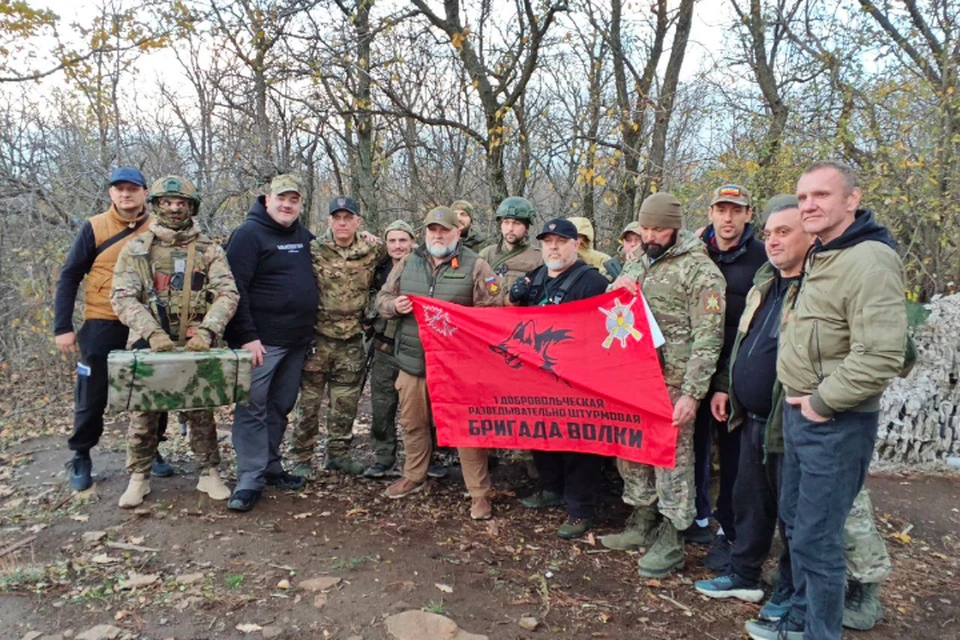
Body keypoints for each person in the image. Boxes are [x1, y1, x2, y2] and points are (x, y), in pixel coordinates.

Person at [694, 197, 892, 632]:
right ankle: (745, 575)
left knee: (798, 520)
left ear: (810, 237)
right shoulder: (767, 280)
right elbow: (746, 338)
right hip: (752, 416)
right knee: (751, 503)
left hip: (800, 423)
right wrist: (729, 386)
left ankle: (790, 595)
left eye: (785, 232)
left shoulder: (826, 281)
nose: (773, 241)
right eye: (770, 233)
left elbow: (887, 352)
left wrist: (826, 398)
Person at [746, 161, 907, 640]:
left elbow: (881, 355)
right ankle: (797, 623)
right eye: (803, 198)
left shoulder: (870, 259)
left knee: (818, 541)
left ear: (852, 200)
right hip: (802, 421)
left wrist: (821, 402)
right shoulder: (826, 255)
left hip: (834, 423)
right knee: (798, 529)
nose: (809, 205)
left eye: (821, 195)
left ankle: (819, 632)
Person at [600, 192, 725, 578]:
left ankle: (673, 536)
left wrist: (692, 393)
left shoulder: (699, 271)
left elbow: (709, 337)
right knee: (633, 451)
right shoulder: (638, 263)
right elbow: (610, 311)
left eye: (659, 229)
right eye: (646, 228)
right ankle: (641, 520)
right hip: (635, 378)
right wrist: (617, 287)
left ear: (676, 227)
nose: (651, 236)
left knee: (671, 459)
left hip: (674, 383)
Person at [110, 175, 238, 507]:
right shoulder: (138, 249)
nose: (175, 208)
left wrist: (208, 331)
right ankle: (139, 476)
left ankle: (209, 472)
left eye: (181, 203)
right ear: (156, 205)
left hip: (195, 341)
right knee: (144, 412)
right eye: (167, 203)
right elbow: (122, 297)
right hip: (149, 343)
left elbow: (227, 293)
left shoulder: (209, 249)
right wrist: (152, 333)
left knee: (200, 410)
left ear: (191, 207)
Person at [375, 206, 503, 520]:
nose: (438, 235)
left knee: (466, 431)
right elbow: (381, 299)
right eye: (432, 230)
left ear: (457, 232)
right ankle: (414, 476)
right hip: (414, 361)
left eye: (444, 230)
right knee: (413, 423)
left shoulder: (477, 265)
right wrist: (395, 305)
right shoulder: (409, 261)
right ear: (425, 232)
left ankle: (479, 493)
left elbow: (495, 310)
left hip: (459, 368)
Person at [54, 167, 163, 491]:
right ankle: (81, 454)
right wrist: (63, 326)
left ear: (145, 193)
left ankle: (151, 451)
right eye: (119, 189)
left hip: (147, 323)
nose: (125, 194)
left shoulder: (159, 227)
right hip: (103, 319)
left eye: (132, 188)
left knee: (154, 390)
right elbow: (69, 275)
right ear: (111, 194)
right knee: (92, 393)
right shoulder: (94, 227)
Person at [509, 218, 609, 539]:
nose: (553, 247)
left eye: (560, 241)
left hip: (577, 379)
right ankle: (550, 488)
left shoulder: (591, 282)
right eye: (547, 241)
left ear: (575, 245)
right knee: (542, 434)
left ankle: (580, 510)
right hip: (537, 375)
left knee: (578, 443)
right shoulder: (536, 276)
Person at [224, 174, 317, 512]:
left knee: (280, 406)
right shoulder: (248, 236)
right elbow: (233, 289)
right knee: (253, 408)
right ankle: (249, 478)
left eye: (293, 200)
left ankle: (271, 465)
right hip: (261, 344)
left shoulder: (302, 236)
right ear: (267, 200)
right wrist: (247, 336)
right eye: (281, 198)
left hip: (296, 342)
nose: (287, 205)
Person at [690, 184, 767, 569]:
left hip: (736, 373)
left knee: (735, 456)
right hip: (690, 369)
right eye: (721, 209)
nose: (728, 218)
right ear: (710, 212)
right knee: (693, 446)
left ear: (748, 214)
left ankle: (730, 533)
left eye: (736, 211)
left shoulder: (763, 258)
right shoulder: (692, 251)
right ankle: (696, 517)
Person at [290, 196, 382, 478]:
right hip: (317, 338)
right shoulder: (313, 249)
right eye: (337, 218)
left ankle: (338, 455)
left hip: (352, 338)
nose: (342, 223)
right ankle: (302, 458)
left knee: (345, 402)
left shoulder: (372, 250)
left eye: (348, 218)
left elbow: (400, 255)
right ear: (329, 220)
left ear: (358, 221)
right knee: (309, 404)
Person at [363, 220, 417, 478]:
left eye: (403, 240)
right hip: (384, 345)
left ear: (412, 242)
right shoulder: (377, 267)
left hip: (414, 349)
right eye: (392, 241)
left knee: (418, 409)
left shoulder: (423, 267)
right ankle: (384, 456)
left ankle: (423, 459)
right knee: (382, 405)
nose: (397, 246)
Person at [479, 196, 542, 290]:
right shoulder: (487, 254)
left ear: (527, 227)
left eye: (517, 223)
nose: (510, 228)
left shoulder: (539, 258)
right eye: (506, 222)